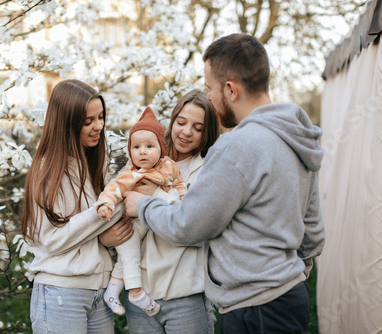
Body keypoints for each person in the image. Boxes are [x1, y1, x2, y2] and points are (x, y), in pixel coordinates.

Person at [124, 33, 325, 333]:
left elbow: (188, 226)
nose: (208, 98)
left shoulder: (235, 147)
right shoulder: (297, 136)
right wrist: (290, 277)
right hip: (290, 298)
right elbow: (313, 235)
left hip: (253, 308)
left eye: (209, 89)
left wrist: (142, 204)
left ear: (230, 89)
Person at [101, 89, 220, 333]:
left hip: (185, 296)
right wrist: (106, 237)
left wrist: (151, 197)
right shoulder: (141, 159)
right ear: (172, 121)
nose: (186, 132)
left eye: (198, 128)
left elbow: (198, 230)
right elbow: (115, 208)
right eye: (181, 122)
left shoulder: (209, 170)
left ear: (207, 133)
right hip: (141, 296)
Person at [22, 79, 133, 334]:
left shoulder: (92, 164)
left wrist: (103, 239)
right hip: (61, 293)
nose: (99, 127)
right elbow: (53, 239)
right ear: (67, 123)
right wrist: (115, 204)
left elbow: (98, 229)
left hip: (98, 292)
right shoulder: (47, 170)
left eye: (101, 117)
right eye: (88, 122)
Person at [97, 106, 187, 317]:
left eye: (149, 146)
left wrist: (182, 198)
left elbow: (180, 183)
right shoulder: (130, 174)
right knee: (130, 253)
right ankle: (135, 292)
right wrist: (106, 204)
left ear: (161, 149)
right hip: (131, 226)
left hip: (152, 223)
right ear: (130, 152)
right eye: (136, 147)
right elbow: (113, 190)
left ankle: (113, 289)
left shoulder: (169, 167)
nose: (142, 151)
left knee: (129, 258)